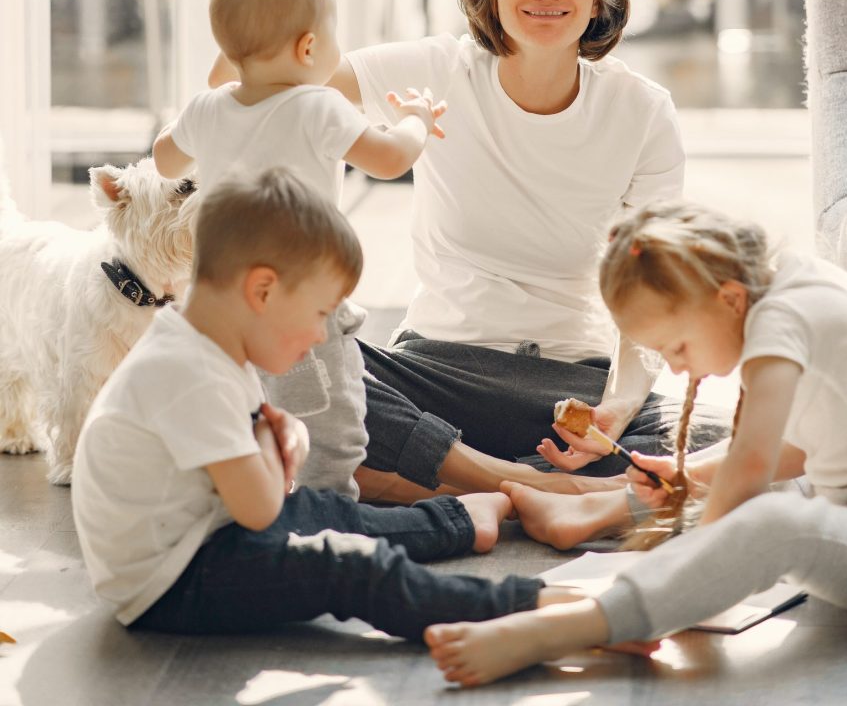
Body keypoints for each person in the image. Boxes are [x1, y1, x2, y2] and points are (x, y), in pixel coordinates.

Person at [240, 0, 728, 503]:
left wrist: (615, 409)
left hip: (572, 391)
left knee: (726, 442)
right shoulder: (438, 69)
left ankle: (441, 485)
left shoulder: (641, 111)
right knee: (288, 359)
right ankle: (521, 488)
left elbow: (655, 293)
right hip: (434, 373)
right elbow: (255, 75)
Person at [423, 200, 847, 686]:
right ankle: (599, 523)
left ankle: (578, 626)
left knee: (770, 520)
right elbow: (802, 448)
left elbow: (753, 465)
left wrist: (697, 571)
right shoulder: (793, 287)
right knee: (747, 486)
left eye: (676, 347)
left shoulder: (782, 324)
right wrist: (688, 478)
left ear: (729, 299)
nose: (674, 367)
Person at [71, 167, 580, 640]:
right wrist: (286, 449)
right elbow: (260, 508)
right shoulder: (189, 375)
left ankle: (458, 521)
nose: (320, 333)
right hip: (173, 582)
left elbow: (253, 480)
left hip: (201, 534)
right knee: (348, 569)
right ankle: (530, 607)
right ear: (263, 291)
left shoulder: (208, 344)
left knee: (321, 509)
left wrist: (272, 447)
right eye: (318, 313)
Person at [152, 0, 446, 497]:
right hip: (301, 302)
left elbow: (165, 162)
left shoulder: (206, 108)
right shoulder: (318, 105)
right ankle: (328, 508)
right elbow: (388, 160)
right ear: (310, 47)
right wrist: (417, 119)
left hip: (222, 300)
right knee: (329, 418)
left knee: (243, 407)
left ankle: (251, 499)